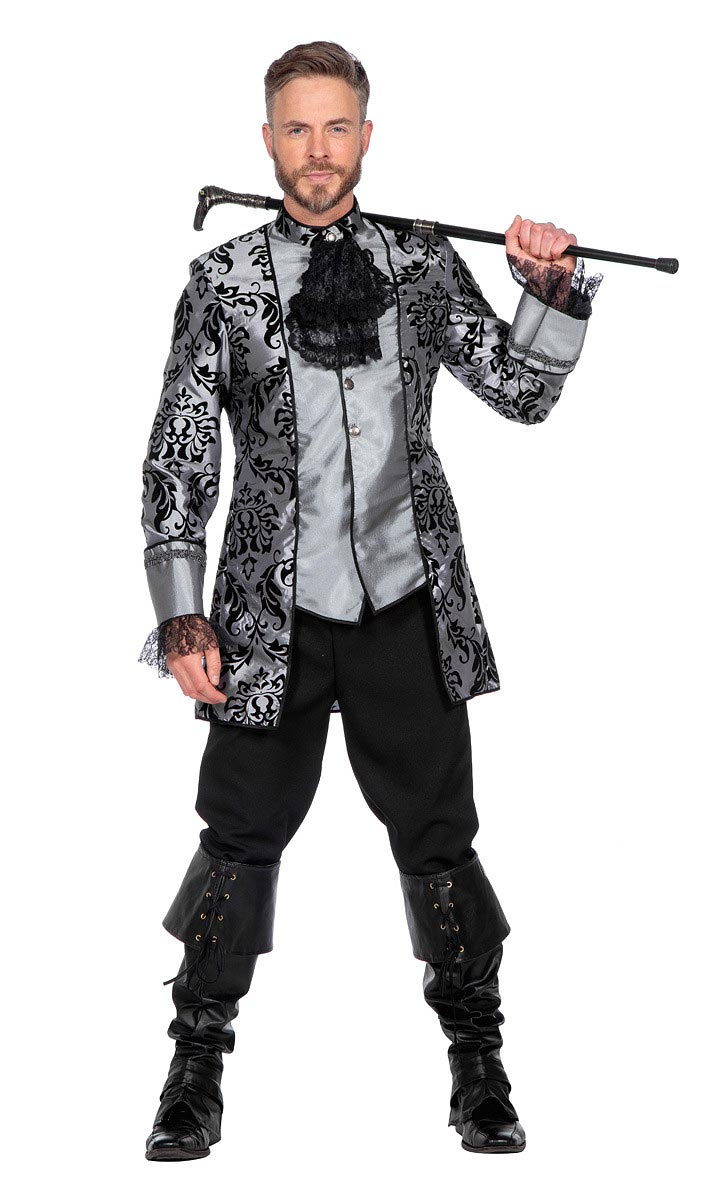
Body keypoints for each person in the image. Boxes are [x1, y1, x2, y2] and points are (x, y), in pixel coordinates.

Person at [139, 40, 602, 1161]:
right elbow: (182, 453)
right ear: (267, 141)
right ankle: (194, 1068)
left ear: (365, 137)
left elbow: (520, 393)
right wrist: (180, 610)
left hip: (407, 601)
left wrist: (548, 289)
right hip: (266, 622)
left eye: (335, 127)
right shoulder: (224, 282)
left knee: (439, 839)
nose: (317, 150)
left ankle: (478, 1066)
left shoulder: (421, 264)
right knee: (237, 838)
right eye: (297, 129)